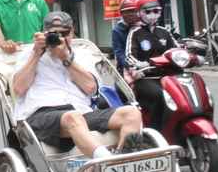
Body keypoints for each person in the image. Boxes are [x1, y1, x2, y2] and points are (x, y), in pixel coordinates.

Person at [12, 11, 143, 161]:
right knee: (72, 116)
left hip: (81, 112)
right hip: (42, 113)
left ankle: (121, 161)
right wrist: (36, 54)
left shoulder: (82, 55)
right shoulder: (30, 54)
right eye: (54, 33)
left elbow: (91, 89)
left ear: (72, 33)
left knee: (132, 113)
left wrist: (66, 59)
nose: (60, 38)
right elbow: (19, 88)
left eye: (65, 33)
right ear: (44, 33)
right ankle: (107, 162)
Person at [126, 0, 179, 130]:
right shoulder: (135, 33)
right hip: (147, 78)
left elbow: (176, 50)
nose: (152, 15)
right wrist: (138, 64)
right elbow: (129, 55)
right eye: (147, 11)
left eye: (155, 11)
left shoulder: (164, 32)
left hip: (167, 76)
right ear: (139, 13)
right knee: (160, 95)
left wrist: (191, 56)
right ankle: (157, 129)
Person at [111, 0, 139, 75]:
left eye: (133, 11)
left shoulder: (145, 27)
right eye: (127, 12)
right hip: (126, 68)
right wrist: (130, 67)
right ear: (121, 13)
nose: (130, 14)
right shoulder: (117, 30)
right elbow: (119, 53)